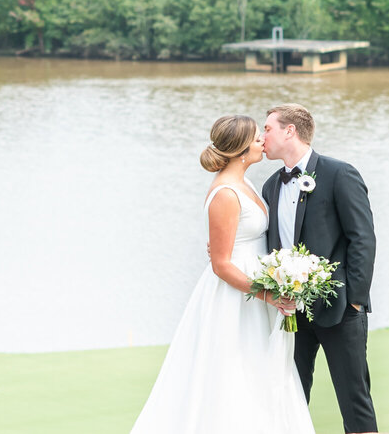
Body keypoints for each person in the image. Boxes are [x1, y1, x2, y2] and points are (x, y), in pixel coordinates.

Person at [128, 114, 315, 434]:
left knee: (260, 372)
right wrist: (267, 294)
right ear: (241, 149)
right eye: (256, 138)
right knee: (233, 373)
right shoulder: (226, 193)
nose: (262, 141)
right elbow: (221, 264)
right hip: (236, 297)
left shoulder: (246, 184)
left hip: (256, 292)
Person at [261, 104, 378, 434]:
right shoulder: (270, 186)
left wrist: (355, 300)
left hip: (340, 309)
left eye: (267, 128)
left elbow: (362, 238)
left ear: (290, 131)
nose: (261, 136)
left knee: (354, 399)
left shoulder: (339, 173)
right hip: (290, 312)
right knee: (290, 398)